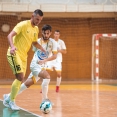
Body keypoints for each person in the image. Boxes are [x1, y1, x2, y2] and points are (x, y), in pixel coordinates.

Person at [3, 24, 57, 110]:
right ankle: (45, 99)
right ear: (42, 32)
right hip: (35, 65)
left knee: (26, 84)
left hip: (43, 65)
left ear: (50, 33)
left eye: (48, 33)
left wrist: (44, 61)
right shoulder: (37, 41)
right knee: (47, 76)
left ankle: (8, 97)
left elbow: (55, 56)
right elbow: (34, 52)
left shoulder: (53, 43)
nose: (46, 35)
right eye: (44, 33)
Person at [3, 9, 44, 111]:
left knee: (21, 78)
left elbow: (34, 42)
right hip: (14, 53)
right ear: (32, 16)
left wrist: (42, 48)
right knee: (20, 77)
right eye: (37, 19)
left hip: (23, 57)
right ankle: (11, 101)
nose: (38, 21)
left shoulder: (36, 29)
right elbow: (10, 35)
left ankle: (8, 98)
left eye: (40, 20)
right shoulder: (22, 24)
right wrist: (12, 47)